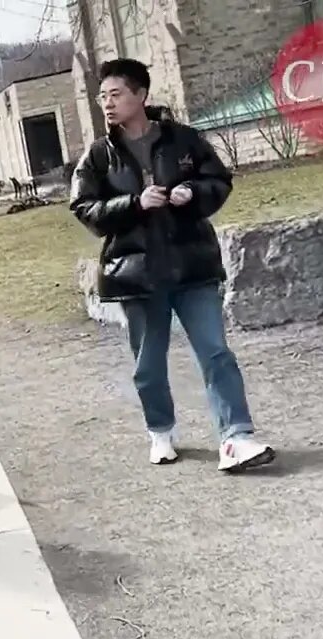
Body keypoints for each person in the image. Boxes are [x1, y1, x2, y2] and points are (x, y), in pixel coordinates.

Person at [69, 58, 275, 472]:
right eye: (102, 97)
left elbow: (218, 181)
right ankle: (160, 430)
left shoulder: (185, 140)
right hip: (137, 276)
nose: (107, 104)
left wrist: (192, 194)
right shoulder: (98, 156)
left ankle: (235, 438)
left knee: (216, 352)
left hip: (192, 265)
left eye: (115, 94)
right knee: (148, 364)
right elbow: (83, 207)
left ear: (140, 95)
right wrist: (132, 203)